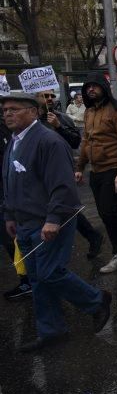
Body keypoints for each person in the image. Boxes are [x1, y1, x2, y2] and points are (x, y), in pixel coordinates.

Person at [1, 93, 111, 352]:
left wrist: (52, 219)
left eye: (14, 109)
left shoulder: (49, 141)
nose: (7, 114)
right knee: (38, 278)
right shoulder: (14, 142)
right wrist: (9, 215)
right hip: (25, 222)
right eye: (4, 109)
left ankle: (97, 301)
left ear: (33, 112)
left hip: (49, 221)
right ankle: (52, 331)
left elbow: (62, 186)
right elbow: (10, 181)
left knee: (51, 272)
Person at [75, 73, 117, 272]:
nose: (90, 90)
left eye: (94, 86)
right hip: (96, 170)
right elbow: (86, 141)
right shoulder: (89, 112)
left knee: (109, 210)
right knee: (104, 214)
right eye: (88, 87)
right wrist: (79, 168)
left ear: (104, 87)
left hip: (116, 169)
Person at [35, 91, 104, 259]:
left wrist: (58, 126)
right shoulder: (31, 121)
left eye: (52, 95)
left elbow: (75, 141)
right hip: (37, 173)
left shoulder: (62, 118)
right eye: (45, 95)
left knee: (63, 205)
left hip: (60, 170)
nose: (50, 98)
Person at [0, 118, 31, 300]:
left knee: (11, 238)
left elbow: (9, 161)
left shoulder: (5, 128)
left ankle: (27, 279)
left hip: (6, 191)